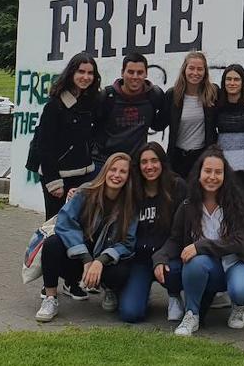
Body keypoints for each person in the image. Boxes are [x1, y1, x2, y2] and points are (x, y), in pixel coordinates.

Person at [153, 147, 244, 336]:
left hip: (238, 263)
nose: (212, 177)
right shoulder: (188, 206)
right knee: (194, 260)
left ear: (225, 176)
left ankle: (239, 304)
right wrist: (160, 258)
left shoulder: (237, 203)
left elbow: (239, 241)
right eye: (208, 171)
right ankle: (191, 314)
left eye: (218, 172)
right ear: (199, 174)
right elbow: (175, 239)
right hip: (209, 268)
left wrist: (200, 245)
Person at [35, 152, 138, 322]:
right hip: (78, 261)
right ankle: (50, 298)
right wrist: (85, 258)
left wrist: (100, 261)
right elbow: (64, 224)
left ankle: (109, 288)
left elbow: (128, 242)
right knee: (52, 244)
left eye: (123, 172)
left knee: (123, 269)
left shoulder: (130, 205)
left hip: (103, 264)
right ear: (105, 171)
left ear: (128, 176)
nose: (117, 175)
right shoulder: (85, 192)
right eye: (113, 169)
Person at [118, 142, 188, 323]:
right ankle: (138, 294)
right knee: (130, 314)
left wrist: (162, 256)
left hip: (168, 257)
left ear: (163, 162)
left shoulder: (177, 187)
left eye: (154, 161)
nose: (149, 166)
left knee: (174, 272)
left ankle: (174, 294)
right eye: (144, 162)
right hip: (140, 260)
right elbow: (106, 190)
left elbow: (181, 232)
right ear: (138, 166)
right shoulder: (132, 190)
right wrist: (78, 192)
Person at [33, 52, 103, 220]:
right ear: (71, 73)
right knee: (56, 224)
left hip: (84, 174)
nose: (86, 77)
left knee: (80, 223)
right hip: (59, 178)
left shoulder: (91, 103)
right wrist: (53, 182)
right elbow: (45, 145)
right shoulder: (55, 106)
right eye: (81, 72)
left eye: (90, 73)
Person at [99, 52, 168, 158]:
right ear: (122, 73)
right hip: (109, 164)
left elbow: (158, 125)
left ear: (146, 74)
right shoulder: (107, 96)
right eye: (130, 72)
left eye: (140, 72)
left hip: (137, 165)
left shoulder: (154, 95)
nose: (135, 77)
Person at [164, 51, 218, 179]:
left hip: (202, 157)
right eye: (191, 68)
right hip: (177, 157)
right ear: (184, 70)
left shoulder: (213, 93)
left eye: (200, 69)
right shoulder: (172, 95)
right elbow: (158, 123)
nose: (195, 73)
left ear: (205, 72)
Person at [214, 64, 244, 198]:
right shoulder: (217, 104)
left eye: (236, 79)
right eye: (228, 79)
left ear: (243, 82)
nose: (232, 83)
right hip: (224, 168)